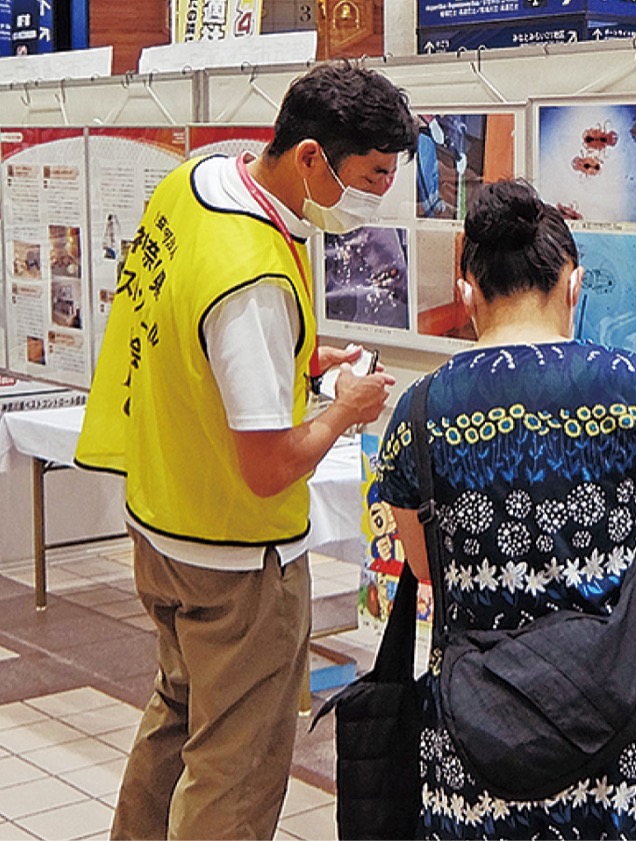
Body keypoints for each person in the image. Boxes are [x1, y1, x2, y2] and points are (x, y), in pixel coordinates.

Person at [74, 61, 418, 839]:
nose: (373, 199)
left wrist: (298, 359)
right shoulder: (252, 273)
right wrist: (346, 409)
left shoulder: (194, 182)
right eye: (368, 177)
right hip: (235, 558)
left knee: (178, 712)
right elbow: (268, 467)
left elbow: (189, 340)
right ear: (309, 157)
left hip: (159, 517)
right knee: (240, 758)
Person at [375, 179, 636, 839]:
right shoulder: (630, 382)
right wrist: (606, 575)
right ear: (574, 284)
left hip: (484, 728)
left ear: (468, 287)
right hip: (633, 706)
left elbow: (426, 567)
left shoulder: (419, 411)